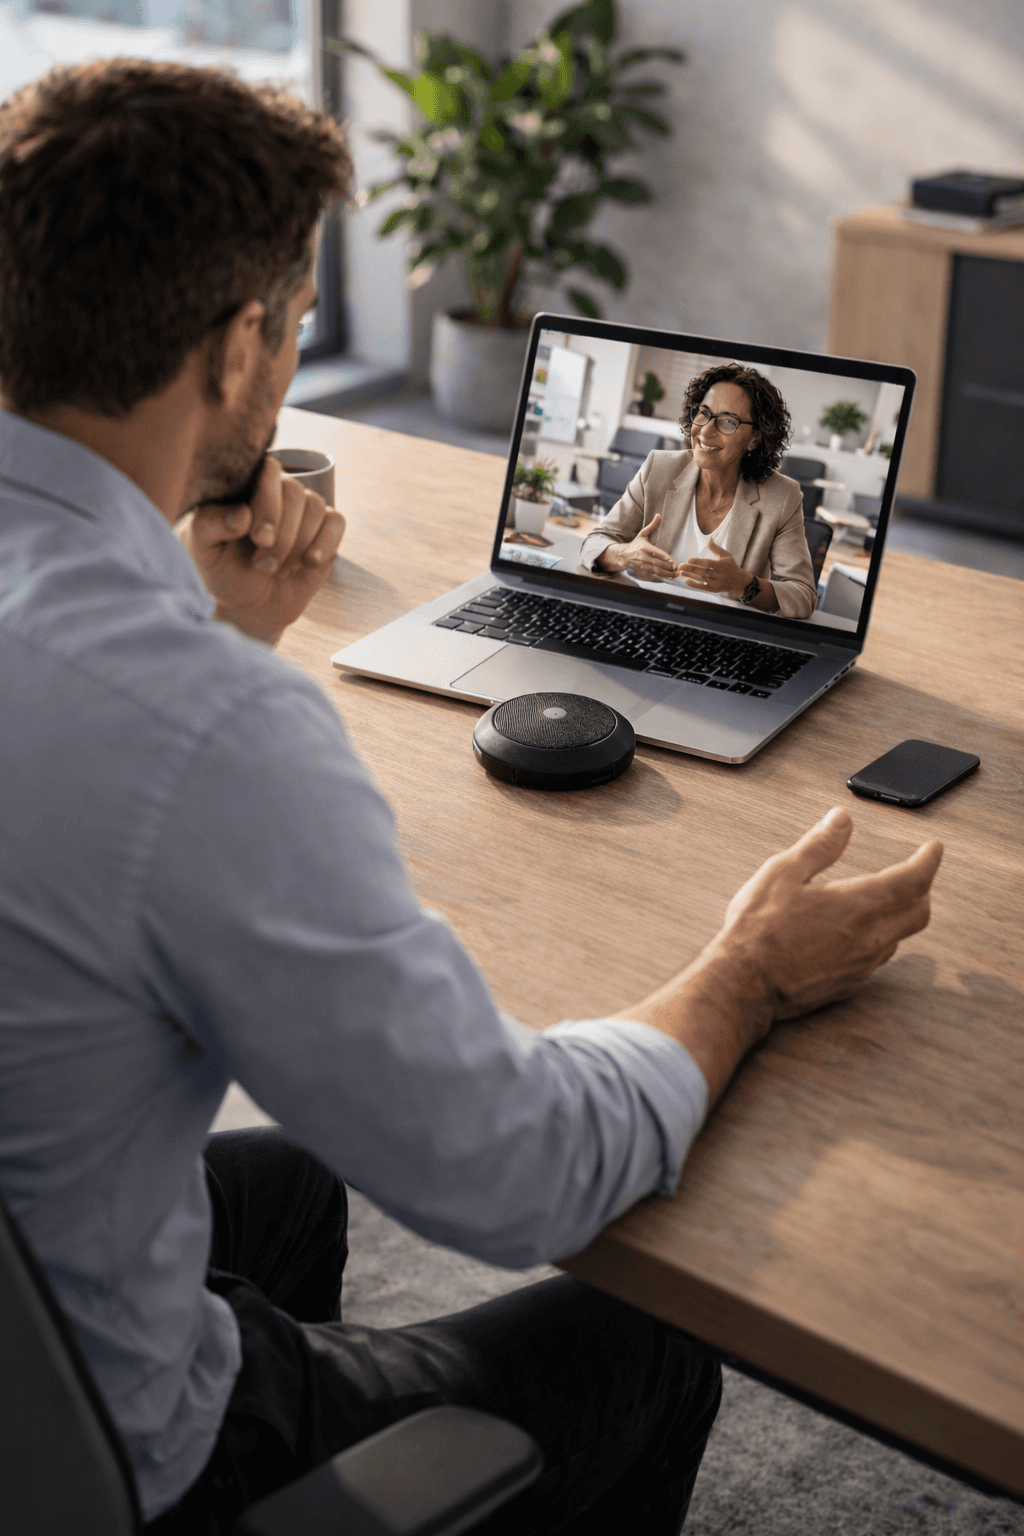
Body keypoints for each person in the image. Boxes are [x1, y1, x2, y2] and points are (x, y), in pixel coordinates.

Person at [0, 60, 942, 1536]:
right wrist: (748, 974)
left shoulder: (151, 680)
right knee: (643, 1346)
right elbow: (524, 1177)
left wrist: (210, 638)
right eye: (302, 323)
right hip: (101, 1467)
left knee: (302, 1183)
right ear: (242, 342)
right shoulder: (195, 727)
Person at [580, 364, 818, 619]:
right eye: (703, 413)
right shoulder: (659, 468)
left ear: (755, 438)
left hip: (719, 630)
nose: (705, 431)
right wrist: (624, 554)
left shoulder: (781, 496)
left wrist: (743, 584)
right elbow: (595, 542)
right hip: (642, 615)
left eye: (728, 421)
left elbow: (803, 596)